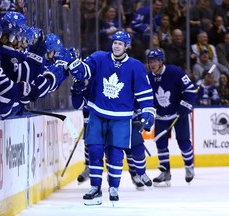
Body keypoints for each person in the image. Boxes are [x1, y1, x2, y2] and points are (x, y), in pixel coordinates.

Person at [68, 31, 155, 205]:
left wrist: (148, 110)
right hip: (97, 113)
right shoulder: (99, 58)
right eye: (115, 42)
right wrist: (75, 65)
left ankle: (114, 188)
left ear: (126, 46)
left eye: (120, 43)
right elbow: (85, 71)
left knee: (115, 155)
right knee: (94, 151)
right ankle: (95, 187)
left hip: (121, 117)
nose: (116, 46)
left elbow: (144, 92)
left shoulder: (135, 66)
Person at [146, 49, 197, 187]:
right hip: (161, 116)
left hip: (178, 115)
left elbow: (190, 90)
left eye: (155, 61)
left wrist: (185, 105)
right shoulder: (148, 77)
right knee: (161, 145)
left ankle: (189, 166)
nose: (153, 64)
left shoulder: (174, 72)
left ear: (161, 61)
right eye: (150, 61)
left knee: (183, 142)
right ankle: (165, 172)